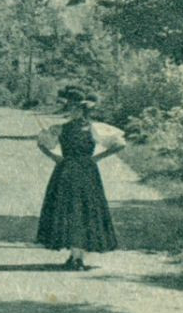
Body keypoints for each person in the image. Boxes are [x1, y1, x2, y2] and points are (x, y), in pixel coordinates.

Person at [35, 86, 126, 270]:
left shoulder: (94, 129)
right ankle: (75, 256)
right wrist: (54, 157)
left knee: (84, 210)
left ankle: (78, 258)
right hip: (67, 172)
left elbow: (120, 143)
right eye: (73, 108)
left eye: (79, 109)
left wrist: (96, 158)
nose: (75, 112)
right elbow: (41, 142)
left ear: (85, 110)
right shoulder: (60, 129)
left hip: (86, 172)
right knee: (69, 211)